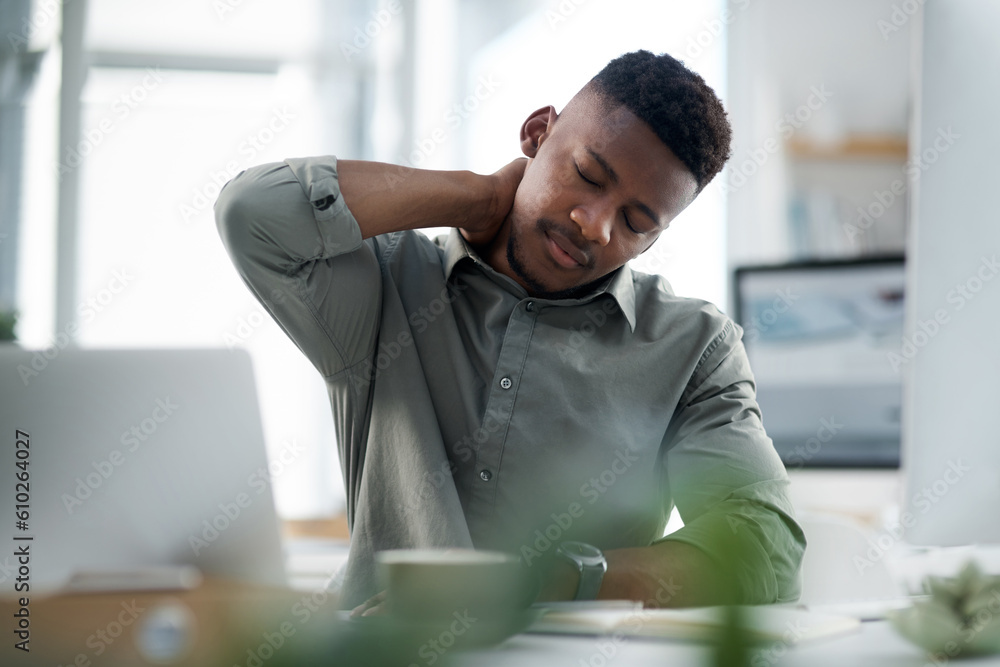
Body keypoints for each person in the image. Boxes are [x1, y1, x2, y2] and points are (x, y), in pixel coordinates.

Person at [214, 50, 805, 611]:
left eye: (635, 222)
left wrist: (540, 582)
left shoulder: (695, 346)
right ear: (536, 133)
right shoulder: (385, 281)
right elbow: (253, 213)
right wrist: (479, 196)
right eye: (587, 175)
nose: (594, 227)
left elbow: (764, 547)